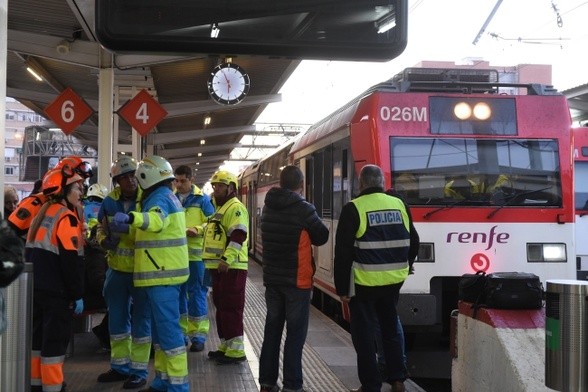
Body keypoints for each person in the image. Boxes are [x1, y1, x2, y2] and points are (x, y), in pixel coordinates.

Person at [334, 164, 419, 392]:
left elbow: (342, 254)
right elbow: (415, 241)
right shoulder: (399, 204)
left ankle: (371, 385)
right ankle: (398, 379)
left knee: (363, 336)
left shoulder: (354, 208)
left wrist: (342, 288)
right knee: (390, 329)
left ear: (360, 184)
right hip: (393, 282)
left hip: (364, 284)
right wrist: (406, 266)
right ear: (382, 183)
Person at [110, 155, 190, 392]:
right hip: (161, 276)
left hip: (163, 277)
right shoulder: (165, 195)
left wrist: (132, 218)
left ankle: (177, 386)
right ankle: (163, 380)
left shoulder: (160, 199)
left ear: (147, 177)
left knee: (169, 334)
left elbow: (155, 220)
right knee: (161, 336)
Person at [258, 165, 329, 392]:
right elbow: (322, 237)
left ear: (280, 182)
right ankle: (292, 385)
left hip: (272, 280)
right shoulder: (303, 208)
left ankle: (267, 382)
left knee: (272, 332)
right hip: (297, 282)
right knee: (295, 336)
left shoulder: (268, 207)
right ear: (301, 185)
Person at [25, 166, 86, 392]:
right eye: (77, 188)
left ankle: (36, 385)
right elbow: (71, 262)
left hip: (38, 289)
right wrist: (77, 294)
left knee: (38, 342)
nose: (80, 192)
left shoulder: (41, 215)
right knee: (54, 344)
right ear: (64, 191)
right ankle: (53, 387)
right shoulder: (66, 218)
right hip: (58, 294)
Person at [95, 156, 149, 389]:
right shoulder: (109, 201)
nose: (129, 181)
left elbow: (153, 230)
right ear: (116, 181)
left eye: (132, 176)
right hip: (116, 270)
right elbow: (99, 227)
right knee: (116, 321)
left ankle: (139, 371)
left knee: (141, 322)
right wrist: (104, 240)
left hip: (142, 271)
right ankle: (119, 367)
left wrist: (126, 229)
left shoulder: (147, 199)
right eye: (124, 178)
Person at [203, 170, 250, 365]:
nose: (215, 190)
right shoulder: (221, 207)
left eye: (220, 186)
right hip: (221, 267)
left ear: (231, 188)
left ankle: (237, 351)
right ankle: (226, 345)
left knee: (231, 307)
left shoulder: (235, 207)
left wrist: (226, 259)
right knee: (221, 306)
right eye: (214, 186)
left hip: (231, 267)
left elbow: (238, 235)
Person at [173, 165, 215, 352]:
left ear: (191, 179)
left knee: (197, 294)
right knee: (179, 295)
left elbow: (213, 223)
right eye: (177, 180)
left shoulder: (202, 200)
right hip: (176, 255)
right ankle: (181, 335)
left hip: (196, 257)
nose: (179, 184)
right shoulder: (171, 198)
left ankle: (198, 336)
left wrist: (197, 229)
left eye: (183, 180)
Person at [82, 183, 110, 350]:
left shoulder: (85, 207)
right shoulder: (96, 252)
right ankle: (105, 333)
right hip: (92, 294)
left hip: (92, 291)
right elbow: (97, 280)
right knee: (124, 303)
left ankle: (105, 332)